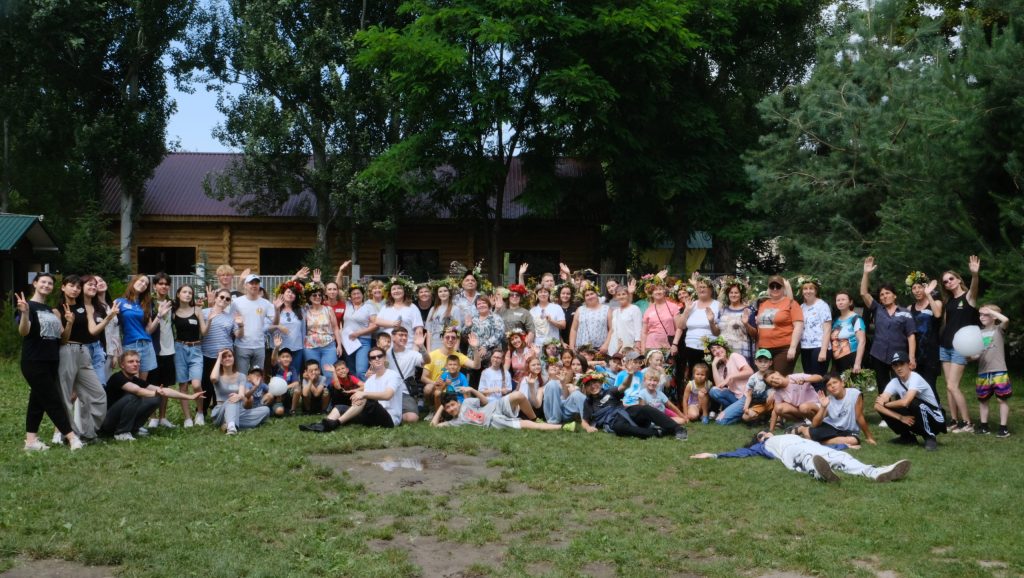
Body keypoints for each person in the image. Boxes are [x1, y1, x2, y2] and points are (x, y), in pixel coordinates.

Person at [16, 274, 84, 451]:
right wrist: (24, 313)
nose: (46, 285)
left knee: (37, 400)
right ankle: (72, 438)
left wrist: (69, 323)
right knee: (52, 399)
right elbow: (24, 332)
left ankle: (31, 441)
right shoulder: (28, 306)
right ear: (35, 283)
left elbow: (62, 339)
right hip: (34, 360)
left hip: (52, 360)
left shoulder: (50, 310)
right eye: (43, 282)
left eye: (50, 283)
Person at [689, 431, 912, 484]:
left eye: (765, 432)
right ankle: (820, 473)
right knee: (806, 456)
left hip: (812, 446)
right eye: (761, 435)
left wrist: (846, 445)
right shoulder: (764, 446)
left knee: (841, 457)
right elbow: (742, 452)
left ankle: (876, 472)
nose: (765, 433)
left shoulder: (790, 433)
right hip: (792, 452)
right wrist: (714, 455)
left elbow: (822, 443)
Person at [55, 275, 113, 445]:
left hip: (84, 352)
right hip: (66, 351)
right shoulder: (56, 310)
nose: (75, 289)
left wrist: (109, 317)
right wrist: (69, 323)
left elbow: (93, 331)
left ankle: (89, 433)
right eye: (71, 286)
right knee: (65, 396)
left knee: (98, 395)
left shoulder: (84, 307)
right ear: (63, 287)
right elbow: (62, 339)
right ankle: (70, 435)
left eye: (78, 287)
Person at [99, 351, 204, 441]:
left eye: (137, 362)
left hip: (118, 418)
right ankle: (121, 433)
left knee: (156, 399)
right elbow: (137, 391)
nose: (135, 364)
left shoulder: (135, 380)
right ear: (122, 365)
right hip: (107, 422)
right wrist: (155, 393)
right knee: (134, 397)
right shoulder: (117, 377)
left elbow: (164, 390)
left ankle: (134, 428)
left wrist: (190, 397)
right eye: (131, 362)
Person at [299, 346, 403, 431]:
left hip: (389, 418)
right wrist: (357, 397)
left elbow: (387, 395)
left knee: (363, 397)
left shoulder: (393, 375)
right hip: (372, 417)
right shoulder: (370, 380)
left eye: (379, 356)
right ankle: (323, 425)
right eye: (373, 357)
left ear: (385, 358)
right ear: (370, 361)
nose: (377, 359)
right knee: (340, 407)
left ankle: (336, 423)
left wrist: (363, 394)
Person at [860, 257, 917, 393]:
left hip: (899, 356)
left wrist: (911, 357)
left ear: (894, 296)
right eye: (882, 295)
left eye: (887, 293)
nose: (884, 296)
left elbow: (911, 336)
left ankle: (902, 406)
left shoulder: (905, 313)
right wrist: (866, 273)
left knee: (902, 388)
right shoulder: (877, 309)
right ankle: (886, 407)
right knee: (883, 388)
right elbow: (863, 293)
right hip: (878, 355)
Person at [580, 370, 688, 440]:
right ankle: (657, 433)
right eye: (589, 385)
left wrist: (630, 375)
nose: (593, 386)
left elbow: (624, 386)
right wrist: (588, 428)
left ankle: (678, 429)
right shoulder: (588, 402)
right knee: (619, 428)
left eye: (595, 383)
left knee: (645, 408)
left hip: (626, 412)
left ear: (600, 382)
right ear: (586, 388)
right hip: (614, 422)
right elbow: (584, 421)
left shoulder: (610, 391)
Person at [938, 256, 981, 432]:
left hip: (959, 348)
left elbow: (974, 288)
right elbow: (947, 324)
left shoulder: (968, 297)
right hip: (945, 346)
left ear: (958, 279)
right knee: (949, 387)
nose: (948, 282)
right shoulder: (949, 302)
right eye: (945, 281)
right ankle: (954, 421)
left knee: (952, 385)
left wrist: (975, 275)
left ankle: (968, 423)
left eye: (951, 279)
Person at [874, 351, 947, 451]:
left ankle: (929, 437)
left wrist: (886, 404)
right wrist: (900, 417)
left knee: (912, 403)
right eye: (895, 365)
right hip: (915, 417)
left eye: (901, 364)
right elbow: (877, 406)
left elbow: (906, 402)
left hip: (935, 419)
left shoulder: (915, 378)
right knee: (886, 408)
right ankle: (906, 437)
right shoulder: (894, 382)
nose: (899, 368)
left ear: (909, 365)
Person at [795, 374, 876, 448]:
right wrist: (823, 407)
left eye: (835, 382)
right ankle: (803, 429)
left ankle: (819, 442)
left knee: (854, 441)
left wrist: (869, 437)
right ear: (827, 389)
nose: (832, 386)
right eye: (829, 385)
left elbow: (859, 416)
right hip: (831, 427)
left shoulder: (855, 394)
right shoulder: (828, 400)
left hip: (848, 431)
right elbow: (814, 424)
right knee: (809, 434)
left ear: (842, 383)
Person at [432, 389, 572, 431]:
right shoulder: (454, 423)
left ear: (458, 402)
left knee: (518, 395)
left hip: (495, 406)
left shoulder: (467, 402)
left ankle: (535, 418)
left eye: (452, 405)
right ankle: (563, 427)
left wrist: (473, 390)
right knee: (524, 425)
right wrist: (441, 407)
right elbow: (433, 426)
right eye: (448, 407)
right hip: (493, 421)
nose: (451, 408)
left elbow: (485, 402)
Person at [200, 288, 242, 420]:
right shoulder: (204, 312)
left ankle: (219, 410)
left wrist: (241, 326)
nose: (224, 300)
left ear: (229, 302)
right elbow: (200, 332)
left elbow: (237, 335)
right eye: (222, 297)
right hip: (207, 354)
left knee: (221, 385)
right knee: (206, 384)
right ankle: (201, 412)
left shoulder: (230, 317)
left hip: (225, 357)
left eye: (227, 299)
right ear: (216, 297)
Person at [115, 274, 165, 380]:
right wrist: (116, 348)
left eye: (146, 284)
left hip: (147, 345)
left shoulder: (145, 304)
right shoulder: (119, 302)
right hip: (131, 345)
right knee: (133, 381)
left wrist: (159, 315)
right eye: (141, 281)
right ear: (134, 281)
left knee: (142, 383)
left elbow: (149, 330)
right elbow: (113, 326)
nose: (143, 284)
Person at [208, 349, 271, 434]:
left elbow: (241, 394)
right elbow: (213, 378)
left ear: (234, 358)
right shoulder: (218, 376)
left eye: (230, 356)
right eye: (224, 357)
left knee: (265, 410)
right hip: (221, 411)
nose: (227, 358)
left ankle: (228, 423)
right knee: (232, 399)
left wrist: (254, 387)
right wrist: (219, 357)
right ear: (221, 361)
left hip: (238, 410)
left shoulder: (241, 376)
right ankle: (231, 428)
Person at [171, 284, 208, 428]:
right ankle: (187, 418)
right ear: (178, 294)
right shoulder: (173, 312)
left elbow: (203, 332)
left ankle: (200, 413)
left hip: (196, 349)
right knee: (183, 385)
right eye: (184, 292)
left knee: (196, 384)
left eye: (190, 293)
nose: (187, 295)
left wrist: (210, 319)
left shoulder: (197, 310)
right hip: (179, 348)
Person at [673, 274, 720, 383]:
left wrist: (711, 321)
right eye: (699, 287)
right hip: (690, 347)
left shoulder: (718, 305)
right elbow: (680, 326)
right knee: (693, 378)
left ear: (710, 289)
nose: (701, 289)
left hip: (709, 347)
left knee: (709, 377)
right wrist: (686, 311)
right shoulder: (691, 304)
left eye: (704, 287)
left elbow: (718, 332)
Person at [422, 326, 483, 405]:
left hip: (453, 391)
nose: (450, 340)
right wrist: (435, 383)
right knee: (428, 388)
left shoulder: (458, 356)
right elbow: (423, 378)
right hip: (438, 388)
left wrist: (475, 348)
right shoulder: (432, 355)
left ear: (456, 340)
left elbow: (476, 366)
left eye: (453, 338)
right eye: (447, 337)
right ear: (442, 339)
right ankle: (432, 408)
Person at [754, 275, 803, 373]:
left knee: (778, 378)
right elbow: (759, 328)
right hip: (764, 348)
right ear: (769, 289)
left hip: (784, 348)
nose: (775, 289)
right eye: (772, 286)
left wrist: (793, 348)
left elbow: (798, 326)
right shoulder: (763, 304)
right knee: (765, 378)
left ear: (783, 288)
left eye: (778, 286)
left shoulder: (791, 303)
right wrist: (757, 347)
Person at [974, 305, 1011, 437]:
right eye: (980, 314)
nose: (982, 317)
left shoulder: (999, 329)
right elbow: (976, 354)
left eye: (985, 314)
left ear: (994, 317)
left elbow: (1005, 320)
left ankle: (1003, 428)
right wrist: (970, 357)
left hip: (999, 370)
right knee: (983, 400)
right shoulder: (978, 333)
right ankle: (984, 427)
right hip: (983, 371)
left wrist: (990, 310)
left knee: (1002, 399)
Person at [149, 272, 178, 429]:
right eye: (160, 283)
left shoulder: (172, 303)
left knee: (165, 384)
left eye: (166, 284)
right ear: (154, 286)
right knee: (152, 384)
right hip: (154, 348)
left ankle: (162, 417)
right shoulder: (149, 303)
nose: (164, 286)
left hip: (169, 349)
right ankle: (152, 417)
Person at [231, 274, 275, 375]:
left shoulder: (266, 303)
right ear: (245, 285)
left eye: (256, 283)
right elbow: (231, 322)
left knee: (257, 377)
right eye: (251, 283)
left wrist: (277, 309)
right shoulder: (236, 302)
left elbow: (275, 322)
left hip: (259, 346)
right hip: (241, 346)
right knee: (242, 377)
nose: (254, 285)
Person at [385, 325, 430, 423]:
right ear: (393, 337)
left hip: (405, 393)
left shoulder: (412, 354)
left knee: (412, 418)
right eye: (401, 335)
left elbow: (427, 361)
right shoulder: (385, 353)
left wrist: (421, 347)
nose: (404, 338)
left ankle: (395, 413)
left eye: (406, 335)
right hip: (388, 392)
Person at [907, 272, 942, 391]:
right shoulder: (909, 308)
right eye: (914, 288)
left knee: (929, 387)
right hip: (915, 353)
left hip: (931, 353)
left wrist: (928, 295)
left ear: (926, 288)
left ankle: (934, 405)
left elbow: (937, 314)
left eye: (920, 287)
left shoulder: (936, 303)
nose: (917, 290)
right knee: (914, 388)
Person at [303, 281, 343, 384]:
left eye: (319, 295)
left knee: (329, 374)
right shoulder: (305, 310)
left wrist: (339, 345)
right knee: (313, 374)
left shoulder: (328, 309)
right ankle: (315, 394)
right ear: (309, 297)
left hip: (328, 346)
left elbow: (335, 328)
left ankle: (328, 394)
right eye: (314, 295)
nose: (317, 297)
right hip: (310, 347)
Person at [707, 338, 754, 425]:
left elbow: (750, 371)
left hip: (746, 396)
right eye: (713, 351)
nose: (717, 351)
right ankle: (737, 411)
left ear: (724, 348)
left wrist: (730, 376)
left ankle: (739, 413)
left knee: (720, 421)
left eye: (718, 347)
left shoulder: (734, 356)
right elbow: (719, 385)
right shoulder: (722, 368)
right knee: (713, 391)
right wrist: (713, 365)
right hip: (734, 397)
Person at [797, 276, 831, 378]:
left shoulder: (822, 305)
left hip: (819, 347)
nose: (808, 291)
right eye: (805, 289)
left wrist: (823, 350)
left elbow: (827, 329)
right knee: (808, 379)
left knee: (818, 379)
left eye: (811, 288)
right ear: (802, 291)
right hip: (805, 347)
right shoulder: (801, 307)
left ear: (816, 291)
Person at [717, 277, 757, 366]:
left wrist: (746, 324)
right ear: (728, 294)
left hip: (742, 353)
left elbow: (755, 334)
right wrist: (711, 321)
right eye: (731, 292)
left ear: (741, 294)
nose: (733, 295)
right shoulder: (722, 310)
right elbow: (717, 332)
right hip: (725, 354)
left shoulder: (749, 310)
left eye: (736, 292)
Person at [341, 283, 377, 379]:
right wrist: (340, 273)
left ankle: (365, 388)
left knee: (361, 371)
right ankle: (355, 388)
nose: (356, 296)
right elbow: (338, 290)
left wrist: (358, 333)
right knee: (351, 370)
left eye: (358, 293)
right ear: (350, 296)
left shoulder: (369, 306)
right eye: (354, 294)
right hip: (348, 341)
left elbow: (375, 325)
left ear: (362, 295)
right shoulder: (347, 305)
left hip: (363, 341)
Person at [270, 280, 306, 372]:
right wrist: (277, 311)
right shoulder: (273, 308)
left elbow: (303, 330)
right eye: (288, 292)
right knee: (280, 375)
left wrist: (303, 346)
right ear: (282, 294)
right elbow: (269, 329)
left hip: (296, 348)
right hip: (279, 348)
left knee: (294, 374)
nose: (290, 294)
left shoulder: (301, 310)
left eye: (293, 293)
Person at [830, 291, 866, 374]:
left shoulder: (856, 319)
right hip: (836, 361)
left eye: (843, 299)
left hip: (851, 358)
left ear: (850, 302)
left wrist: (857, 363)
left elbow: (862, 341)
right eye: (838, 300)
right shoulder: (836, 320)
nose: (840, 302)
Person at [640, 280, 679, 353]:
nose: (658, 292)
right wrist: (643, 349)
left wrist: (675, 344)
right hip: (651, 346)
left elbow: (678, 328)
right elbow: (644, 332)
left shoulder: (673, 306)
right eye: (655, 290)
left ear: (664, 291)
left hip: (667, 345)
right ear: (652, 294)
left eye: (660, 289)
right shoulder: (648, 310)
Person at [742, 349, 775, 424]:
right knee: (745, 417)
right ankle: (762, 417)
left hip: (773, 403)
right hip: (760, 404)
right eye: (760, 361)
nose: (763, 364)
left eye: (765, 362)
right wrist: (746, 407)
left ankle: (776, 418)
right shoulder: (753, 378)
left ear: (770, 363)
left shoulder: (774, 375)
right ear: (755, 362)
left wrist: (773, 394)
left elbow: (780, 390)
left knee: (778, 402)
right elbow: (749, 395)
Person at [608, 285, 641, 356]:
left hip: (630, 344)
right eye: (618, 295)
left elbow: (638, 328)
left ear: (628, 295)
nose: (621, 296)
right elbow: (613, 330)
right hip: (615, 346)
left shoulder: (634, 309)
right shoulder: (615, 311)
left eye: (623, 294)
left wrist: (638, 344)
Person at [425, 283, 458, 351]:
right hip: (434, 345)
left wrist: (455, 350)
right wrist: (428, 350)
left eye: (445, 291)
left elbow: (458, 330)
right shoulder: (433, 310)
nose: (443, 293)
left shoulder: (455, 309)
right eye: (440, 291)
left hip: (449, 345)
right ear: (437, 294)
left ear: (449, 293)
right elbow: (429, 332)